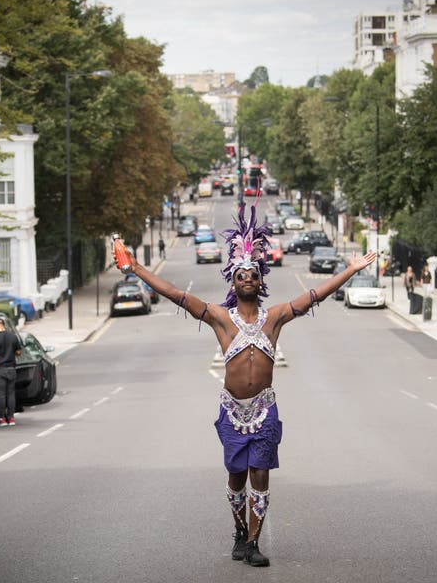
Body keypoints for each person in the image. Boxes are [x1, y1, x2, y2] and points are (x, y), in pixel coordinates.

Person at [128, 203, 376, 567]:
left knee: (260, 474)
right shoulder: (219, 319)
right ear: (233, 281)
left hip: (264, 410)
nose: (247, 278)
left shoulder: (273, 318)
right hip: (232, 411)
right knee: (236, 476)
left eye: (254, 274)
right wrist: (135, 268)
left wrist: (349, 271)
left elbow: (313, 297)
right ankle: (240, 531)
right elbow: (175, 294)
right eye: (241, 274)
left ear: (260, 282)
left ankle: (254, 543)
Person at [0, 317, 22, 427]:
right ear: (4, 325)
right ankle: (11, 418)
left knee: (1, 395)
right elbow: (19, 352)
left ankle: (2, 418)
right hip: (11, 368)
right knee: (11, 394)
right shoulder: (13, 336)